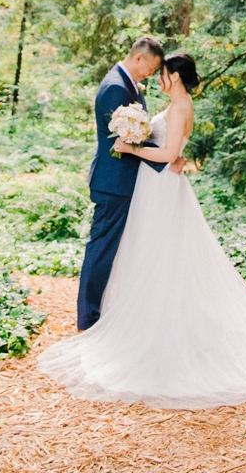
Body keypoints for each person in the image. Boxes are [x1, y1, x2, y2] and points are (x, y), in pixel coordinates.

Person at [41, 52, 246, 410]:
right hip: (153, 187)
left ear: (174, 77)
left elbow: (166, 155)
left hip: (161, 190)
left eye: (162, 74)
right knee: (151, 257)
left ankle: (160, 334)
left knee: (161, 256)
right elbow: (168, 150)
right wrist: (154, 148)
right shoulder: (175, 104)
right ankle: (144, 326)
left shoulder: (180, 108)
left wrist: (131, 146)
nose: (157, 79)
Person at [75, 35, 166, 331]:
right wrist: (164, 159)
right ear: (139, 58)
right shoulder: (115, 86)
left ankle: (100, 310)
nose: (149, 76)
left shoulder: (125, 83)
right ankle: (88, 319)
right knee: (101, 248)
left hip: (121, 181)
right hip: (113, 182)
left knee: (109, 248)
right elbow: (125, 139)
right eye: (150, 70)